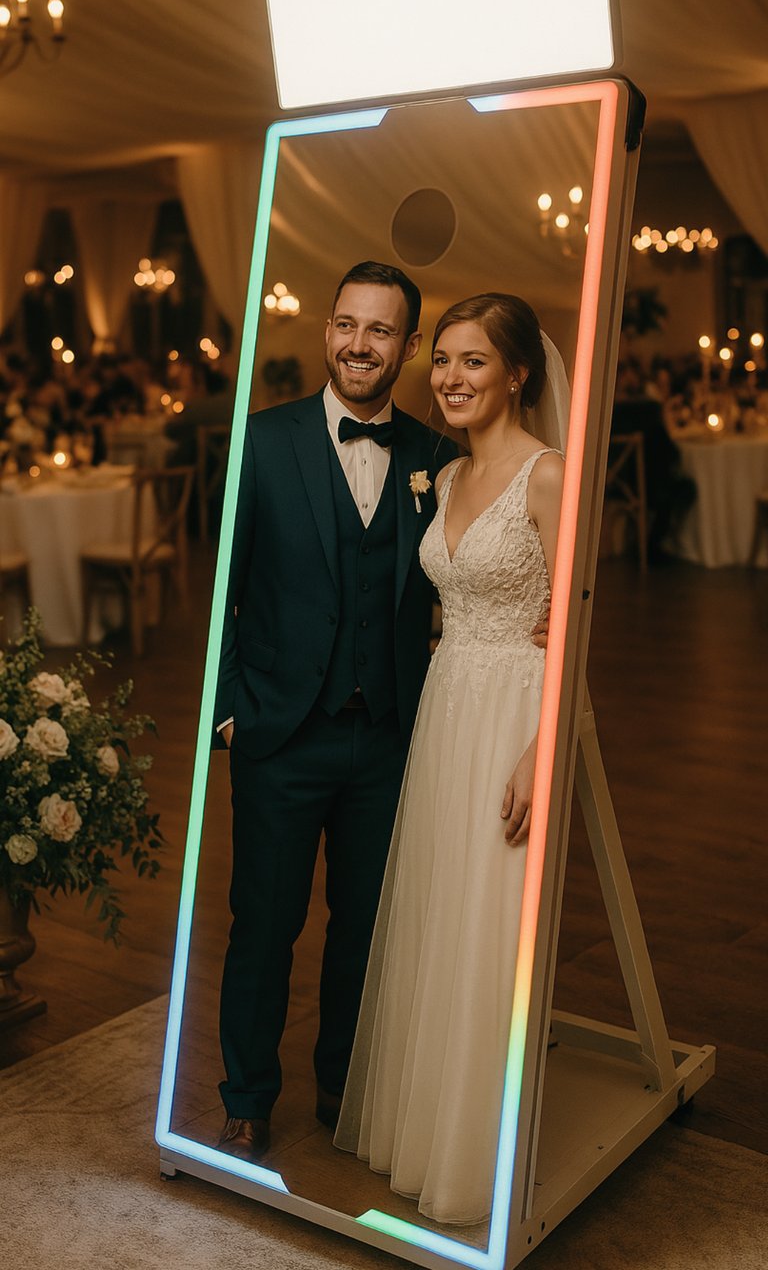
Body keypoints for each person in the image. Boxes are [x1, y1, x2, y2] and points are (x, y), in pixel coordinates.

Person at [212, 260, 462, 1162]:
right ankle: (246, 1098)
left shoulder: (437, 457)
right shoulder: (261, 440)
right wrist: (230, 710)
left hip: (386, 741)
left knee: (365, 929)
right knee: (263, 928)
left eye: (381, 330)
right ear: (327, 331)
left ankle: (341, 1088)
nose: (361, 344)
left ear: (409, 345)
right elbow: (224, 591)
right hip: (278, 734)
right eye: (348, 324)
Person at [335, 293, 568, 1227]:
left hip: (514, 713)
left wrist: (541, 749)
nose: (451, 378)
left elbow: (583, 623)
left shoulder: (548, 476)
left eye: (474, 361)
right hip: (446, 707)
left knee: (489, 921)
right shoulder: (446, 472)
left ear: (518, 374)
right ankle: (420, 1129)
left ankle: (474, 1157)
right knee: (438, 911)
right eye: (442, 360)